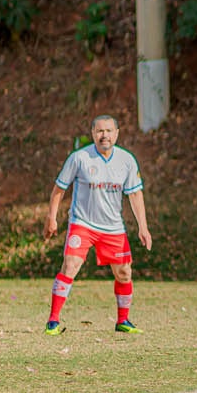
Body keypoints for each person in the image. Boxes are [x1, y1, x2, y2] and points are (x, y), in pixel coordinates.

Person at [44, 115, 152, 334]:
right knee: (70, 265)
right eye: (100, 131)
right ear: (93, 133)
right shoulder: (79, 158)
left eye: (109, 131)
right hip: (82, 223)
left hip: (113, 227)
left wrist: (143, 226)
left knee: (124, 273)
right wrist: (51, 217)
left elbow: (135, 194)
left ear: (117, 133)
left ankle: (123, 321)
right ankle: (53, 320)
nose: (105, 135)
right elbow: (59, 189)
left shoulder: (127, 160)